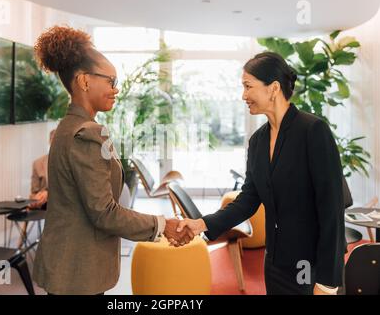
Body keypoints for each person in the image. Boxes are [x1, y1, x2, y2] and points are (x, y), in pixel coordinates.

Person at [31, 26, 193, 295]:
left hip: (68, 268)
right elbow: (104, 213)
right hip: (77, 272)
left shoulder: (67, 127)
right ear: (84, 81)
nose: (115, 89)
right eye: (110, 81)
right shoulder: (87, 133)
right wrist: (164, 225)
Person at [174, 52, 346, 295]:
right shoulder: (257, 141)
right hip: (275, 262)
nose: (243, 95)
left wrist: (327, 282)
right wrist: (201, 223)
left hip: (309, 265)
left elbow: (332, 209)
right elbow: (247, 200)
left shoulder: (313, 131)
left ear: (273, 88)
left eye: (248, 86)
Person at [28, 129, 56, 210]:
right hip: (45, 207)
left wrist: (49, 194)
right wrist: (37, 198)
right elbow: (34, 192)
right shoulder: (38, 163)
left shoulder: (71, 162)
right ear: (50, 141)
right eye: (53, 140)